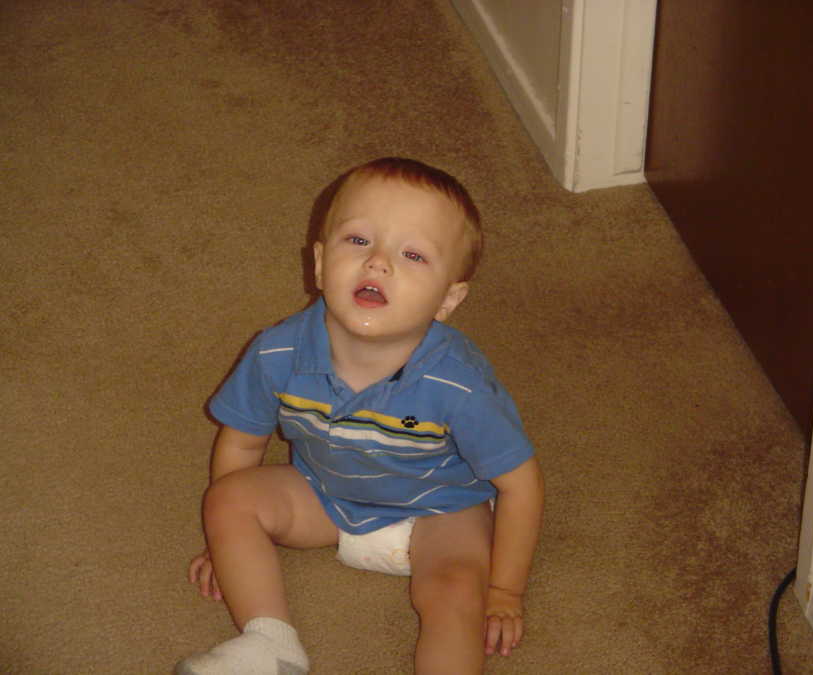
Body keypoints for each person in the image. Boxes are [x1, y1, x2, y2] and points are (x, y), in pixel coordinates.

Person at [176, 157, 544, 675]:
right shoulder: (275, 352)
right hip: (325, 492)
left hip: (440, 508)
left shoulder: (460, 384)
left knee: (459, 592)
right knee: (228, 500)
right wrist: (230, 547)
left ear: (449, 298)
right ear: (321, 263)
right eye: (358, 241)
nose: (378, 263)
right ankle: (271, 647)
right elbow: (241, 445)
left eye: (413, 254)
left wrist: (505, 589)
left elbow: (520, 485)